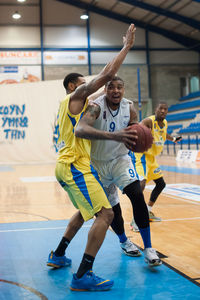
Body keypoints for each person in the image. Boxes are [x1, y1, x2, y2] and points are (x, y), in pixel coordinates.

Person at [47, 24, 138, 292]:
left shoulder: (75, 104)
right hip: (75, 166)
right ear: (73, 86)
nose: (89, 85)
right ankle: (83, 274)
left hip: (67, 166)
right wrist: (126, 47)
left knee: (86, 211)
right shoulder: (75, 97)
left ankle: (58, 254)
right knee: (106, 214)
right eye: (84, 83)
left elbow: (104, 86)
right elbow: (108, 74)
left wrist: (110, 85)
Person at [75, 76, 162, 267]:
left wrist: (140, 135)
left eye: (119, 87)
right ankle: (124, 241)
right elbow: (79, 129)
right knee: (113, 209)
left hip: (121, 160)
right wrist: (114, 136)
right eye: (111, 87)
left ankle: (148, 248)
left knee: (137, 195)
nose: (115, 91)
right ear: (105, 89)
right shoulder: (96, 107)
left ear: (124, 90)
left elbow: (134, 125)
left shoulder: (129, 106)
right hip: (98, 164)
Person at [129, 102, 182, 231]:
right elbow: (136, 130)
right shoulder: (148, 121)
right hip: (141, 156)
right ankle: (136, 219)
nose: (163, 111)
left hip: (151, 158)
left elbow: (164, 135)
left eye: (165, 109)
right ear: (155, 110)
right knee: (140, 186)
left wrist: (173, 139)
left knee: (161, 184)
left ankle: (147, 211)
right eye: (160, 108)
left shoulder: (165, 123)